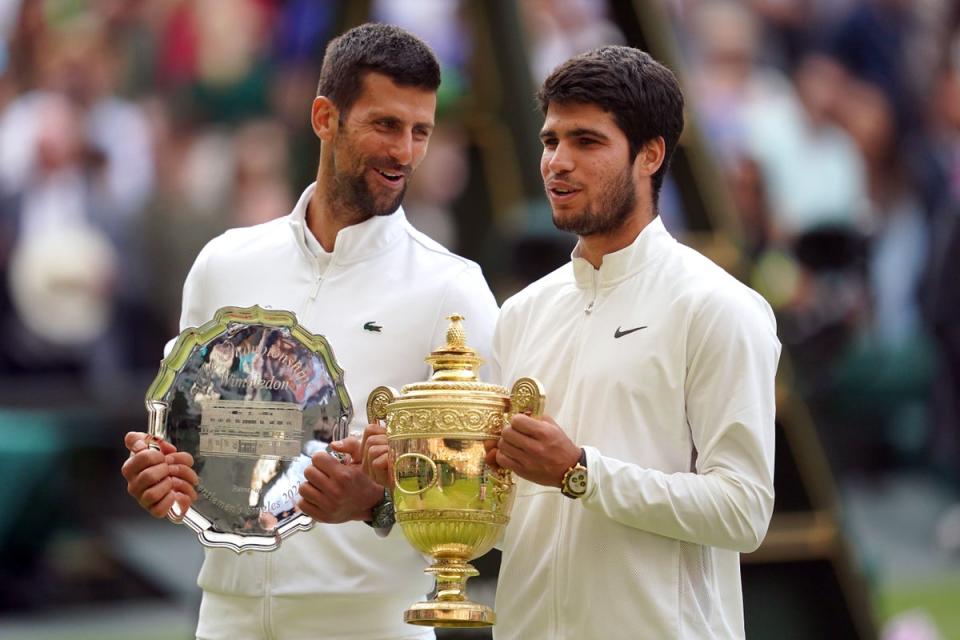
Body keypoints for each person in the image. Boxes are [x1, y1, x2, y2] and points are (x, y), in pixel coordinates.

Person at [120, 23, 498, 640]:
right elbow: (185, 439)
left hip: (374, 624)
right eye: (385, 125)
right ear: (324, 117)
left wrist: (373, 506)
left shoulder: (454, 290)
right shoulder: (224, 263)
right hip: (226, 617)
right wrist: (159, 477)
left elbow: (493, 497)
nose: (404, 151)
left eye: (420, 131)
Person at [488, 47, 779, 638]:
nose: (558, 163)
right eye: (550, 141)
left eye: (587, 142)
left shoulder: (717, 307)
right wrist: (410, 487)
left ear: (650, 154)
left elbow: (744, 510)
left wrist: (579, 472)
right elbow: (507, 519)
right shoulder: (521, 313)